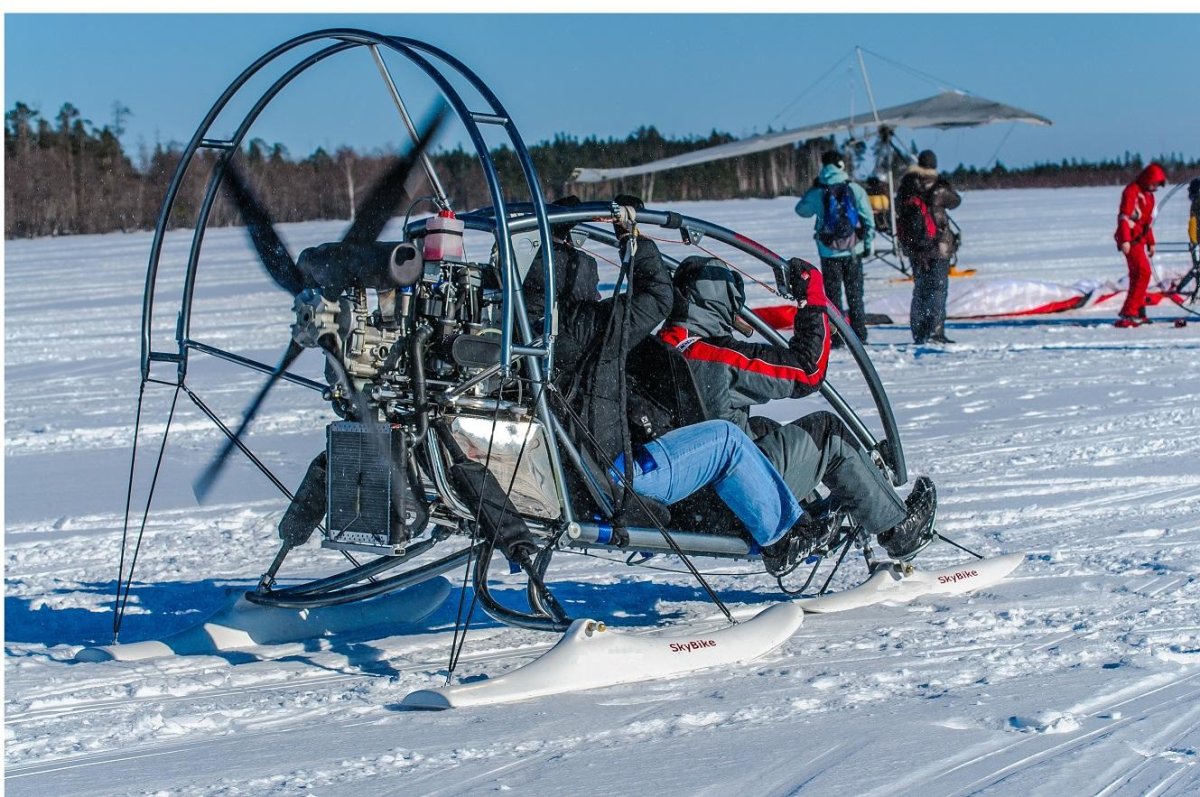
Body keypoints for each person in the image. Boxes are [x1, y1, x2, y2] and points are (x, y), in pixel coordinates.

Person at [523, 196, 806, 555]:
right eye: (591, 284)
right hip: (619, 481)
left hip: (576, 481)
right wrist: (630, 234)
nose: (597, 294)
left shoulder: (522, 333)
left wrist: (556, 231)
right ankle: (783, 538)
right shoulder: (583, 329)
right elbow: (657, 296)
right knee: (726, 439)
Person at [657, 254, 938, 572]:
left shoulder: (659, 349)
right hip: (736, 502)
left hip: (686, 503)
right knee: (828, 433)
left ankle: (803, 521)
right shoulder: (711, 356)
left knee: (760, 428)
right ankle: (898, 529)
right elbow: (807, 370)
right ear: (722, 300)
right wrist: (813, 303)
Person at [794, 150, 876, 343]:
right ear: (840, 164)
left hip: (828, 251)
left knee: (833, 296)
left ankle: (837, 336)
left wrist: (813, 190)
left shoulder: (818, 191)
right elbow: (867, 217)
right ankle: (859, 336)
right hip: (853, 249)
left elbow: (801, 210)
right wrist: (867, 242)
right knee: (855, 294)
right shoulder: (854, 188)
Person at [895, 149, 961, 344]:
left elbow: (898, 208)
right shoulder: (938, 187)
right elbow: (955, 201)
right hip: (937, 245)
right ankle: (935, 331)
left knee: (921, 288)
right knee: (938, 289)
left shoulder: (906, 186)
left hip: (915, 248)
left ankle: (919, 332)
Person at [1113, 162, 1168, 327]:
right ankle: (1129, 312)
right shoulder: (1132, 192)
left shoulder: (1149, 196)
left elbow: (1146, 223)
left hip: (1139, 239)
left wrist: (1151, 242)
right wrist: (1125, 240)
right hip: (1130, 240)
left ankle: (1138, 311)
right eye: (1154, 183)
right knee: (1143, 273)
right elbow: (1124, 217)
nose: (1155, 187)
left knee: (1138, 276)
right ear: (1147, 179)